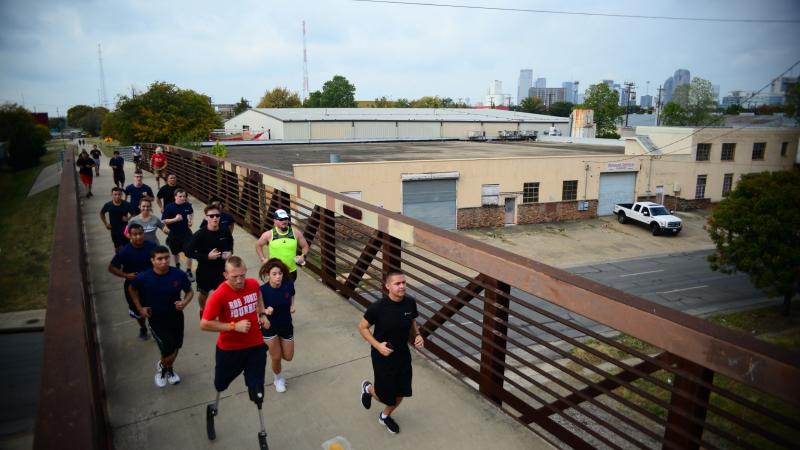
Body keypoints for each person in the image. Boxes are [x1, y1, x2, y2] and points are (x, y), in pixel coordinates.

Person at [200, 257, 270, 444]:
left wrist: (261, 314)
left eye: (242, 275)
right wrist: (233, 326)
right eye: (234, 277)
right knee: (221, 385)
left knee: (258, 393)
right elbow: (204, 324)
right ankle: (212, 408)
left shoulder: (253, 285)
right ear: (225, 275)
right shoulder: (219, 295)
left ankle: (262, 435)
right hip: (229, 350)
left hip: (255, 346)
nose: (239, 280)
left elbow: (259, 297)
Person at [358, 270, 424, 434]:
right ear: (387, 286)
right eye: (397, 283)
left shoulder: (410, 302)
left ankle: (385, 416)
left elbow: (413, 321)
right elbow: (362, 327)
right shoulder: (377, 308)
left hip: (403, 354)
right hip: (383, 356)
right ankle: (368, 389)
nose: (402, 286)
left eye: (404, 283)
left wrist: (418, 335)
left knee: (401, 392)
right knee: (385, 396)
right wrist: (378, 345)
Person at [129, 245, 194, 387]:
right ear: (152, 260)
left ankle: (169, 368)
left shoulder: (178, 274)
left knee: (176, 347)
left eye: (166, 258)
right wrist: (140, 308)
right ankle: (163, 368)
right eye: (159, 259)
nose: (164, 261)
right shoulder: (144, 277)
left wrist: (184, 302)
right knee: (168, 350)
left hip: (176, 317)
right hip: (156, 320)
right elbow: (132, 289)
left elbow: (189, 292)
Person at [108, 223, 157, 340]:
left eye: (140, 234)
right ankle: (143, 328)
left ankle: (155, 329)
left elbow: (159, 260)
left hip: (152, 284)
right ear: (129, 236)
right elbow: (112, 267)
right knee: (138, 311)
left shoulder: (152, 246)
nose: (138, 237)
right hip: (133, 287)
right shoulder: (124, 252)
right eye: (134, 234)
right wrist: (125, 275)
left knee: (154, 308)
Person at [187, 204, 234, 318]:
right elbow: (188, 252)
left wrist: (230, 252)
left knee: (223, 294)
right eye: (211, 216)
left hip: (222, 271)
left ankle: (223, 313)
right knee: (204, 294)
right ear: (206, 217)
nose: (215, 218)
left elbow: (230, 243)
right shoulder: (199, 235)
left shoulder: (225, 231)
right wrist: (207, 257)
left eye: (217, 215)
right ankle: (203, 309)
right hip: (205, 272)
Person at [259, 258, 296, 393]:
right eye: (274, 274)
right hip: (270, 327)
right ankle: (278, 379)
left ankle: (277, 351)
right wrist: (264, 313)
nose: (278, 277)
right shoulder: (262, 290)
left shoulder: (288, 285)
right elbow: (258, 309)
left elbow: (292, 295)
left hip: (286, 324)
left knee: (288, 356)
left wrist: (292, 305)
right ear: (268, 275)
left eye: (280, 273)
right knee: (276, 357)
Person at [255, 209, 309, 282]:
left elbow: (305, 246)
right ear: (275, 220)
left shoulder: (296, 233)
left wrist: (302, 256)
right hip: (275, 272)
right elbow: (258, 245)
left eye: (286, 218)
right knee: (276, 293)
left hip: (291, 272)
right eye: (281, 219)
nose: (284, 221)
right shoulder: (269, 234)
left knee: (289, 293)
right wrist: (262, 259)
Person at [161, 188, 195, 280]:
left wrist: (191, 220)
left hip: (186, 233)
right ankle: (177, 268)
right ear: (175, 196)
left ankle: (188, 271)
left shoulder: (187, 205)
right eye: (180, 196)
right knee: (175, 252)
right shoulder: (169, 207)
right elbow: (164, 220)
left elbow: (191, 212)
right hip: (174, 234)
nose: (183, 198)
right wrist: (175, 219)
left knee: (189, 252)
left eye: (184, 196)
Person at [100, 187, 135, 252]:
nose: (117, 196)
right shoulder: (108, 205)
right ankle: (118, 259)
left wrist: (128, 218)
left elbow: (133, 214)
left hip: (125, 230)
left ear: (121, 195)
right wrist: (106, 224)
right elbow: (102, 213)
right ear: (112, 195)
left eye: (119, 194)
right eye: (115, 194)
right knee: (117, 247)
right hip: (114, 230)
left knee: (127, 247)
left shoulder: (126, 204)